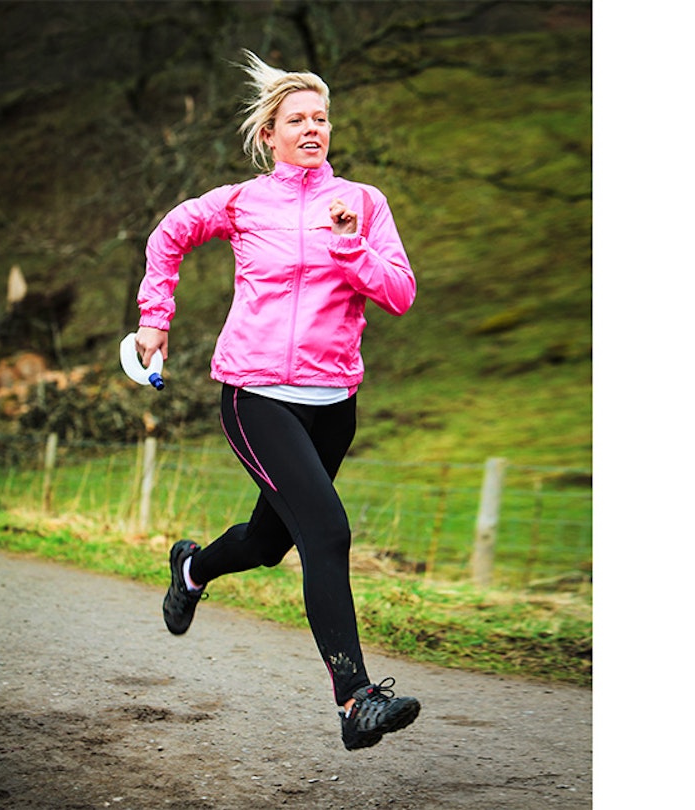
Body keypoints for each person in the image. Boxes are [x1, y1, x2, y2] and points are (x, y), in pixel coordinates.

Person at [133, 49, 420, 751]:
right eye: (298, 118)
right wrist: (154, 317)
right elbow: (170, 234)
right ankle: (356, 700)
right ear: (271, 134)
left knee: (268, 543)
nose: (313, 127)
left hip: (332, 399)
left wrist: (352, 247)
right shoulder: (242, 202)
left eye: (322, 117)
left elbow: (400, 295)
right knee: (326, 531)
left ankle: (192, 569)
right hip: (255, 393)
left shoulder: (363, 204)